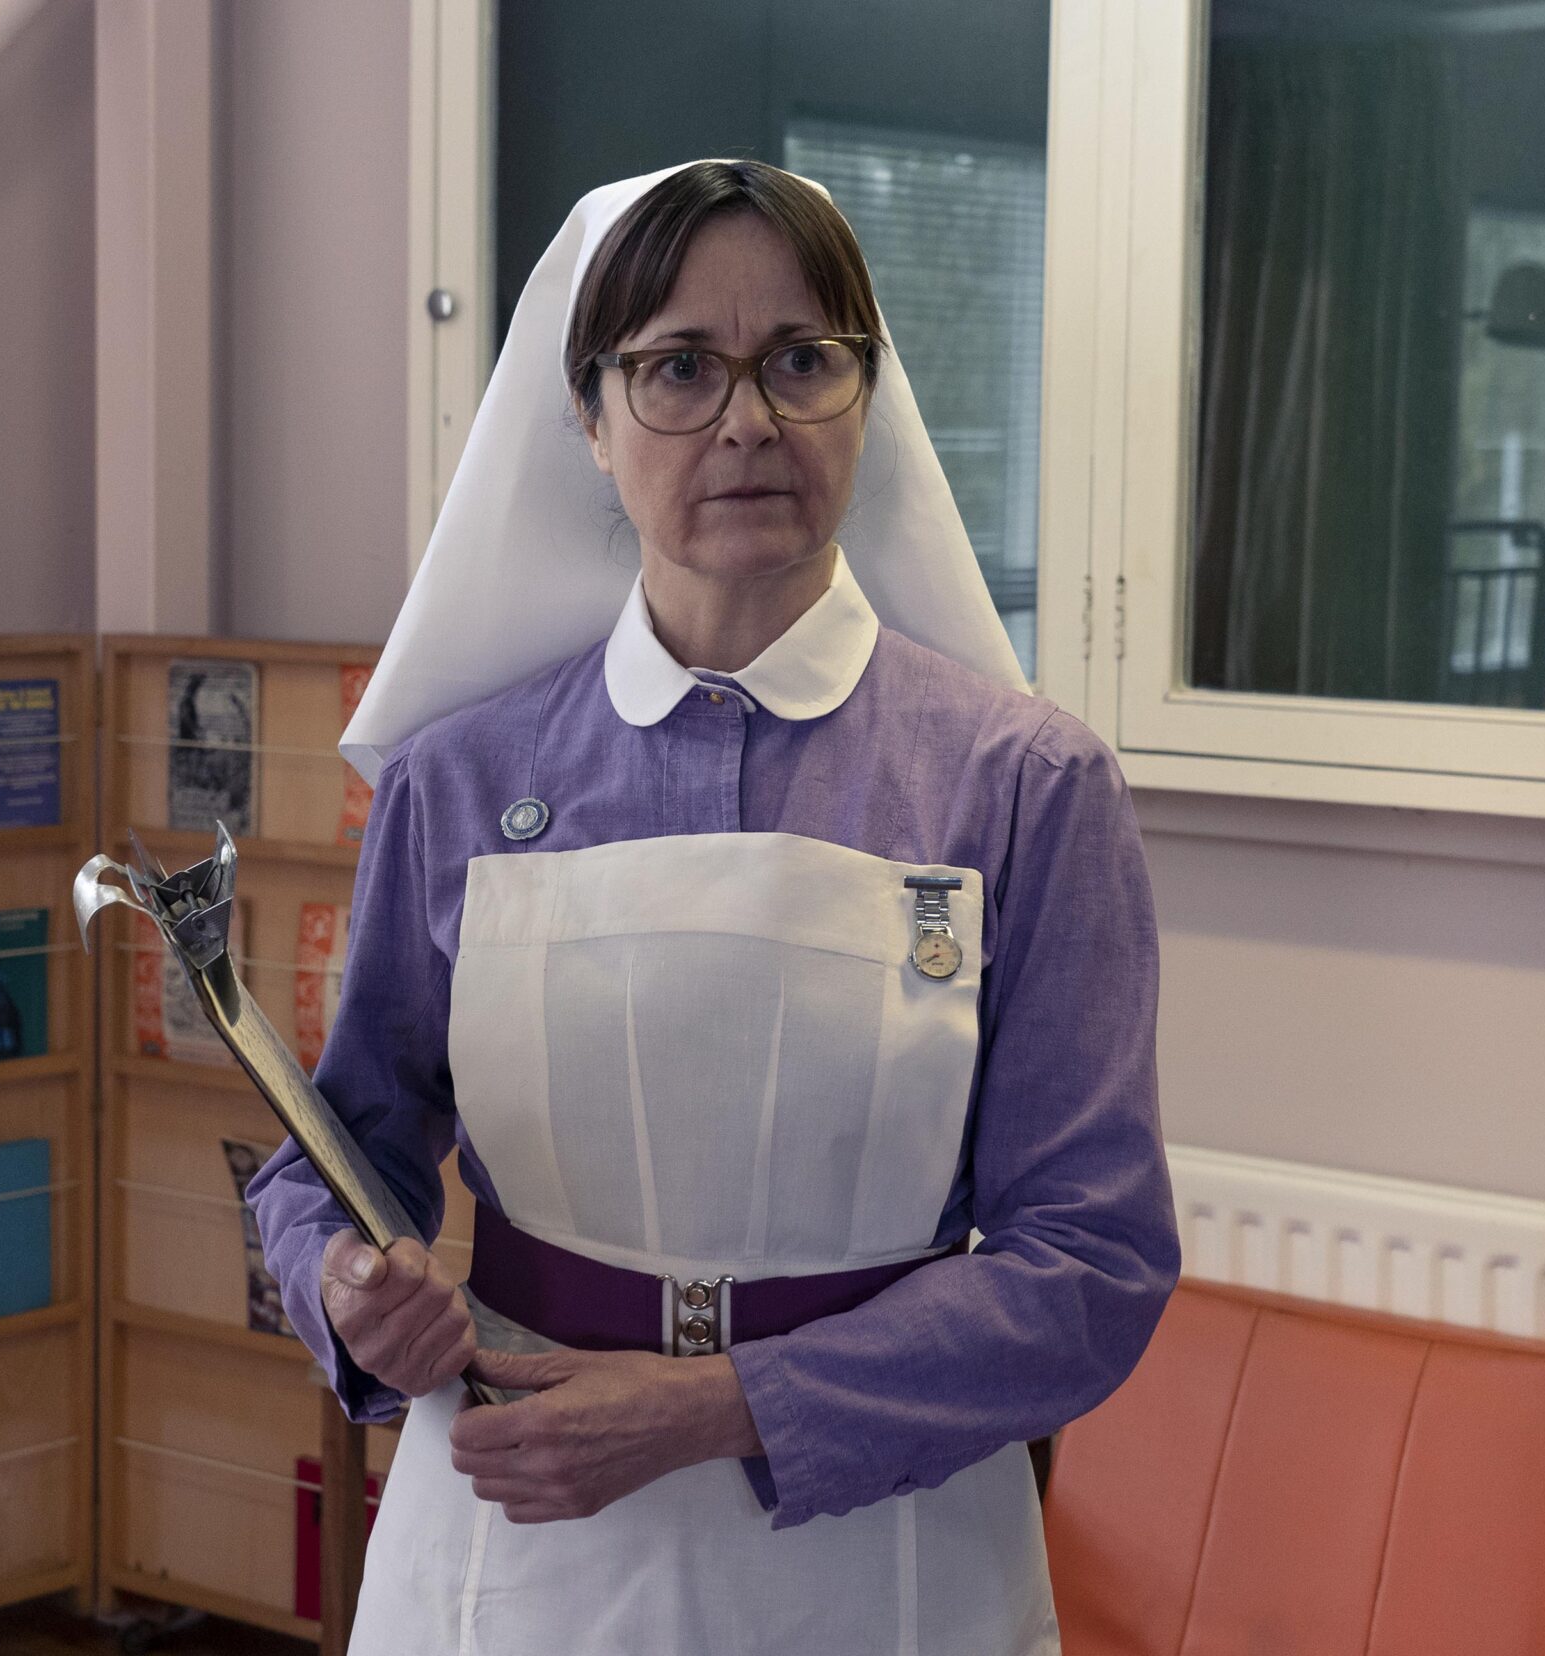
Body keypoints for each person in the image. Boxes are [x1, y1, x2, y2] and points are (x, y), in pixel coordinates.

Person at [245, 159, 1177, 1655]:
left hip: (885, 1553)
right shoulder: (459, 780)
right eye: (680, 366)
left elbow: (1093, 1259)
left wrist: (724, 1408)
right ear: (591, 420)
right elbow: (338, 1150)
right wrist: (345, 1281)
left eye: (802, 361)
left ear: (868, 396)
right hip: (520, 1536)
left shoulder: (1023, 787)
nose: (747, 418)